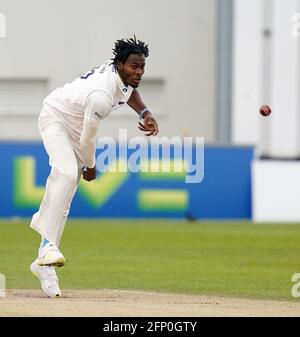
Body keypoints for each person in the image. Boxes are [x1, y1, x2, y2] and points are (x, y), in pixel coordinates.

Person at [29, 36, 159, 297]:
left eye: (142, 67)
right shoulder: (100, 94)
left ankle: (44, 262)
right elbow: (88, 140)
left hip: (76, 126)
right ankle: (46, 245)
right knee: (65, 172)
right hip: (55, 118)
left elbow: (129, 93)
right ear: (120, 64)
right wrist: (90, 166)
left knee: (65, 194)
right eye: (134, 66)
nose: (139, 72)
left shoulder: (120, 76)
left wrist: (144, 113)